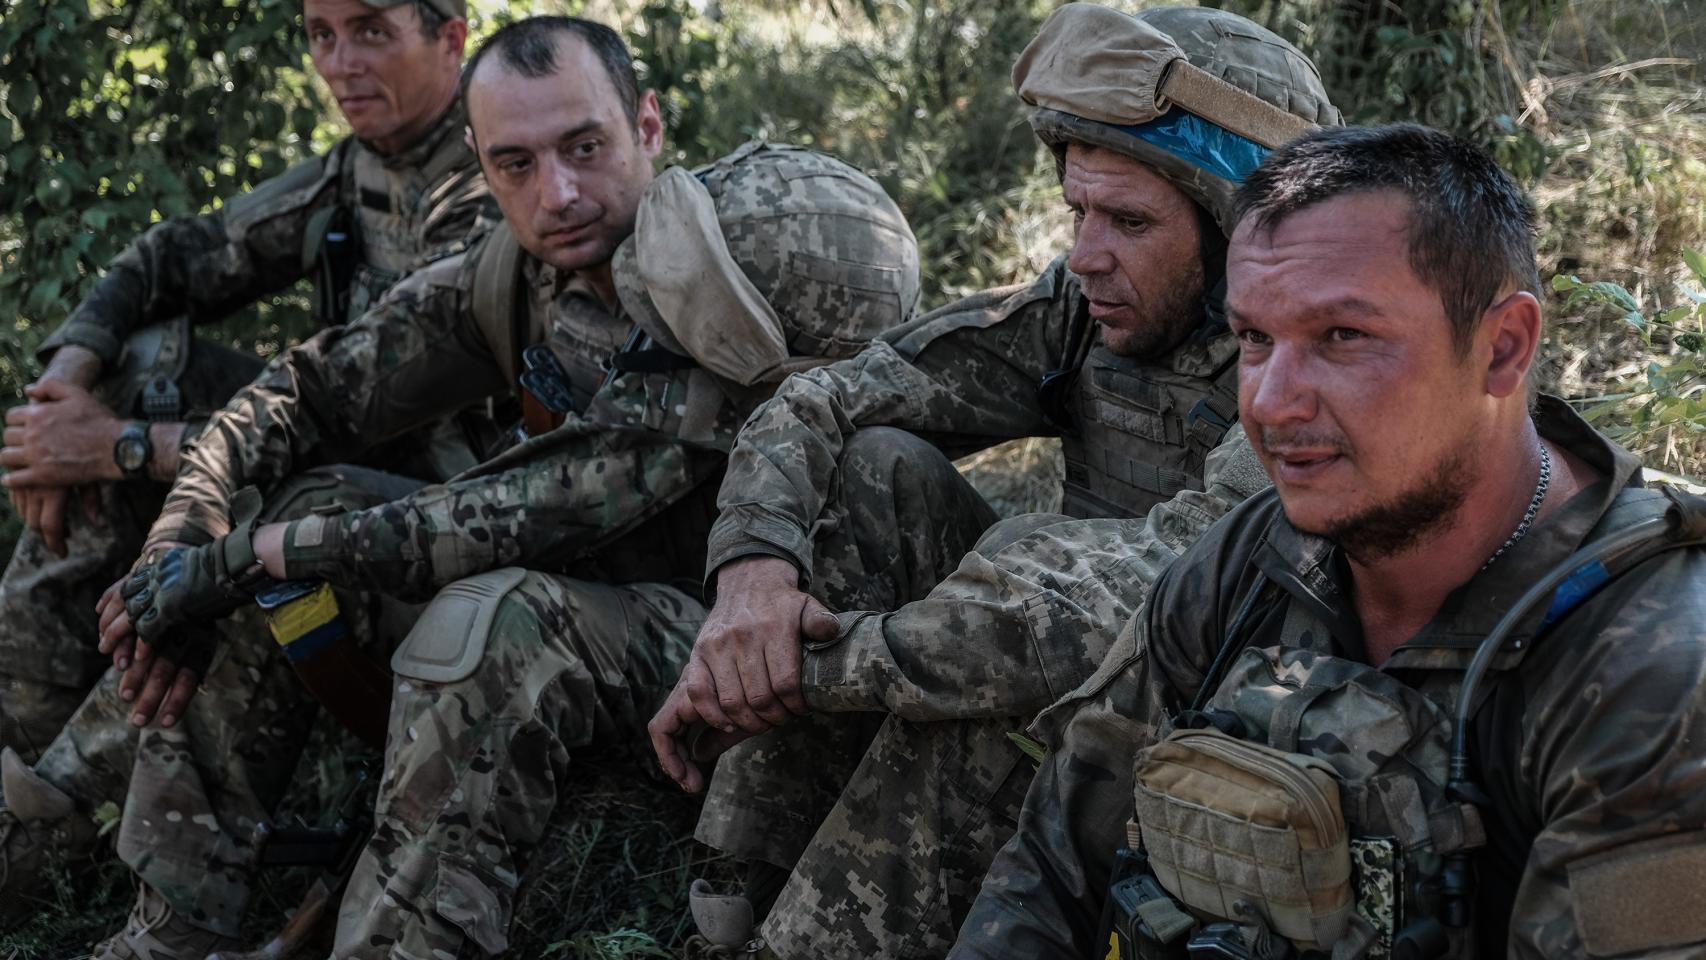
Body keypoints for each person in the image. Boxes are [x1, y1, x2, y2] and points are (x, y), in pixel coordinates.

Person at [85, 15, 938, 959]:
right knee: (308, 505)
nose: (559, 193)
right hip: (610, 597)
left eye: (585, 147)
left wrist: (246, 555)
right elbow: (308, 387)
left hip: (757, 636)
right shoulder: (512, 273)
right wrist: (184, 527)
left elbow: (541, 506)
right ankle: (171, 930)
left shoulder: (728, 277)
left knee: (499, 614)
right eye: (517, 164)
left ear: (646, 127)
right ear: (480, 162)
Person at [647, 5, 1341, 957]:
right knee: (876, 467)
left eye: (1130, 220)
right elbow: (823, 402)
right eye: (1078, 211)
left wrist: (802, 671)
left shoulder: (1306, 365)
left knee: (1007, 696)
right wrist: (751, 582)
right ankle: (742, 876)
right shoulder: (1082, 304)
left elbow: (1114, 602)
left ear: (1237, 234)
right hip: (1063, 654)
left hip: (1225, 714)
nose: (1087, 254)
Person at [952, 123, 1706, 959]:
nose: (1272, 404)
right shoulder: (1249, 565)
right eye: (1254, 339)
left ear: (1503, 348)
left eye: (1342, 337)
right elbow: (1054, 870)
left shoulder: (1650, 672)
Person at [0, 0, 497, 920]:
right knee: (139, 365)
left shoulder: (498, 173)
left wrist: (113, 448)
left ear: (452, 36)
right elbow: (178, 254)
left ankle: (57, 812)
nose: (340, 62)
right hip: (330, 470)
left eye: (372, 31)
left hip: (435, 524)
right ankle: (23, 726)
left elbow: (345, 423)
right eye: (320, 34)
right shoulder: (360, 167)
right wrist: (60, 396)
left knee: (226, 476)